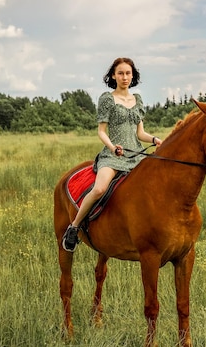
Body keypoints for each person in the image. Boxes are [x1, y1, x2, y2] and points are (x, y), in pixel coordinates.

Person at [62, 57, 162, 252]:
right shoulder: (107, 99)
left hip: (135, 156)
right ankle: (74, 228)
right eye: (121, 73)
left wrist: (154, 139)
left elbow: (140, 133)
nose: (125, 77)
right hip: (113, 156)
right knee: (99, 189)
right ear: (113, 76)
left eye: (128, 73)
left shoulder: (137, 99)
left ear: (133, 76)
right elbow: (101, 131)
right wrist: (112, 147)